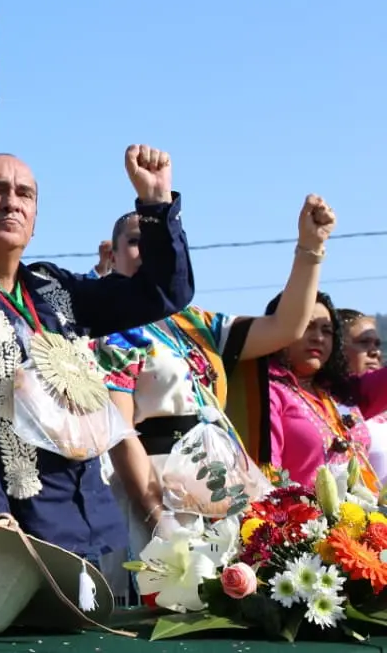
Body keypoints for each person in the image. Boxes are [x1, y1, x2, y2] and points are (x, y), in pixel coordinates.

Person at [0, 146, 194, 566]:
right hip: (1, 545)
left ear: (34, 219)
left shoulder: (51, 289)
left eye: (25, 194)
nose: (11, 202)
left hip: (86, 532)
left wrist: (156, 204)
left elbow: (162, 293)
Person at [99, 196, 334, 573]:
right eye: (136, 241)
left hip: (219, 477)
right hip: (153, 482)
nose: (149, 251)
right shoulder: (110, 329)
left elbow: (285, 327)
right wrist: (157, 514)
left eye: (159, 242)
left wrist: (310, 248)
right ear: (113, 255)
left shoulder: (198, 323)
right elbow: (120, 433)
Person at [230, 292, 387, 492]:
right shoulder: (265, 392)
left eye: (327, 330)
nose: (318, 338)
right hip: (299, 510)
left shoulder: (341, 390)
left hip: (363, 510)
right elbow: (265, 481)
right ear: (279, 330)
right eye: (306, 326)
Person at [337, 309, 386, 478]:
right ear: (337, 349)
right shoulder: (339, 403)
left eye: (377, 344)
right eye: (364, 342)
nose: (375, 352)